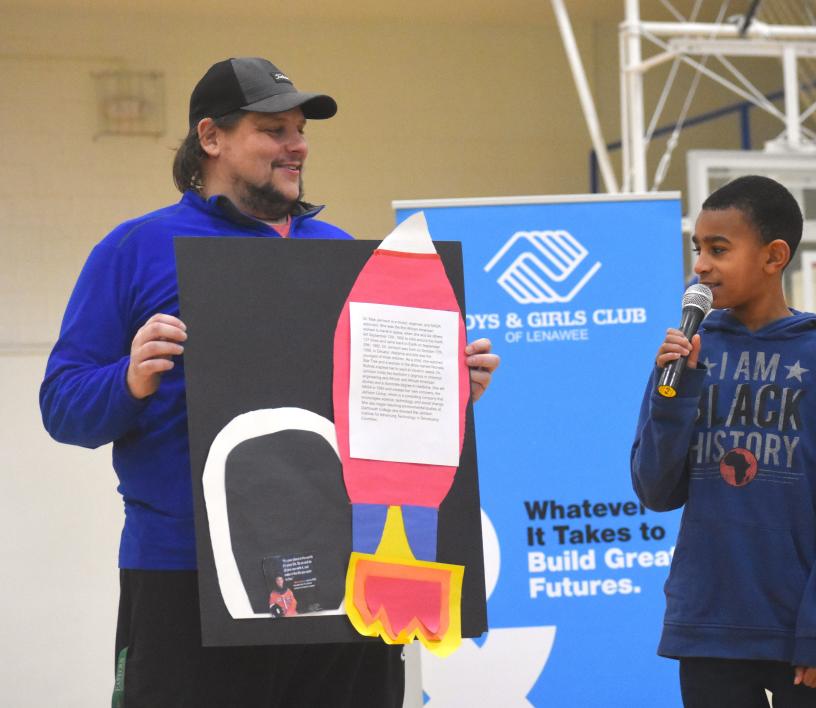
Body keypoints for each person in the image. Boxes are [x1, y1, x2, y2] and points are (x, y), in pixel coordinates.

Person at [39, 57, 500, 708]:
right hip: (186, 576)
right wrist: (129, 379)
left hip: (341, 577)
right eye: (274, 129)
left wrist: (447, 393)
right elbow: (61, 406)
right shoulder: (134, 249)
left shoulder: (342, 253)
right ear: (211, 137)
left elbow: (375, 416)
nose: (297, 145)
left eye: (301, 130)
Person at [630, 175, 816, 708]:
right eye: (698, 249)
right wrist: (673, 396)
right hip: (708, 627)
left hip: (804, 631)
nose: (701, 265)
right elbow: (655, 490)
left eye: (719, 249)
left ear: (774, 256)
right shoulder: (687, 354)